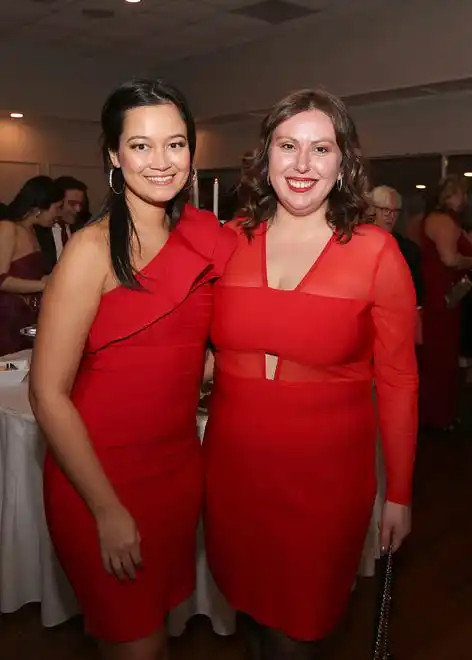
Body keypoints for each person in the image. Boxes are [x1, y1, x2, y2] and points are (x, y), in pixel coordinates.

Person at [203, 89, 418, 659]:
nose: (301, 165)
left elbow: (399, 380)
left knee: (298, 631)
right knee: (249, 614)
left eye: (320, 148)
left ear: (343, 162)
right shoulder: (229, 239)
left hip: (324, 484)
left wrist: (398, 492)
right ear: (265, 156)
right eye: (287, 146)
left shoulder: (377, 252)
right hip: (232, 472)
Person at [29, 78, 235, 660]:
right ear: (115, 157)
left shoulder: (201, 235)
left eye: (175, 144)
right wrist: (106, 508)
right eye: (141, 146)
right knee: (137, 642)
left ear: (192, 153)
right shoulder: (90, 250)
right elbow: (47, 394)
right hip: (98, 475)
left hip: (175, 470)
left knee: (139, 631)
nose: (161, 161)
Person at [420, 175, 472, 432]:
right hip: (443, 296)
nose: (466, 198)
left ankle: (440, 416)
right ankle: (437, 418)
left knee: (442, 357)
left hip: (446, 296)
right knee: (441, 358)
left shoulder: (444, 220)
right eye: (463, 193)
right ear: (453, 195)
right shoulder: (443, 221)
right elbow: (451, 259)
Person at [0, 176, 63, 356]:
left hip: (27, 318)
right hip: (7, 320)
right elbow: (2, 280)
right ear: (40, 206)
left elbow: (30, 276)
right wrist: (46, 285)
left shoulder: (33, 232)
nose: (59, 214)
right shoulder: (7, 228)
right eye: (57, 208)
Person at [370, 185, 424, 305]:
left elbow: (417, 292)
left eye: (395, 211)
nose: (391, 216)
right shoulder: (358, 242)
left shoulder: (409, 250)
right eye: (385, 210)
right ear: (372, 210)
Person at [35, 175, 88, 273]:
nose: (78, 209)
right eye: (72, 203)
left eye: (81, 204)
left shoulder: (83, 229)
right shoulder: (37, 231)